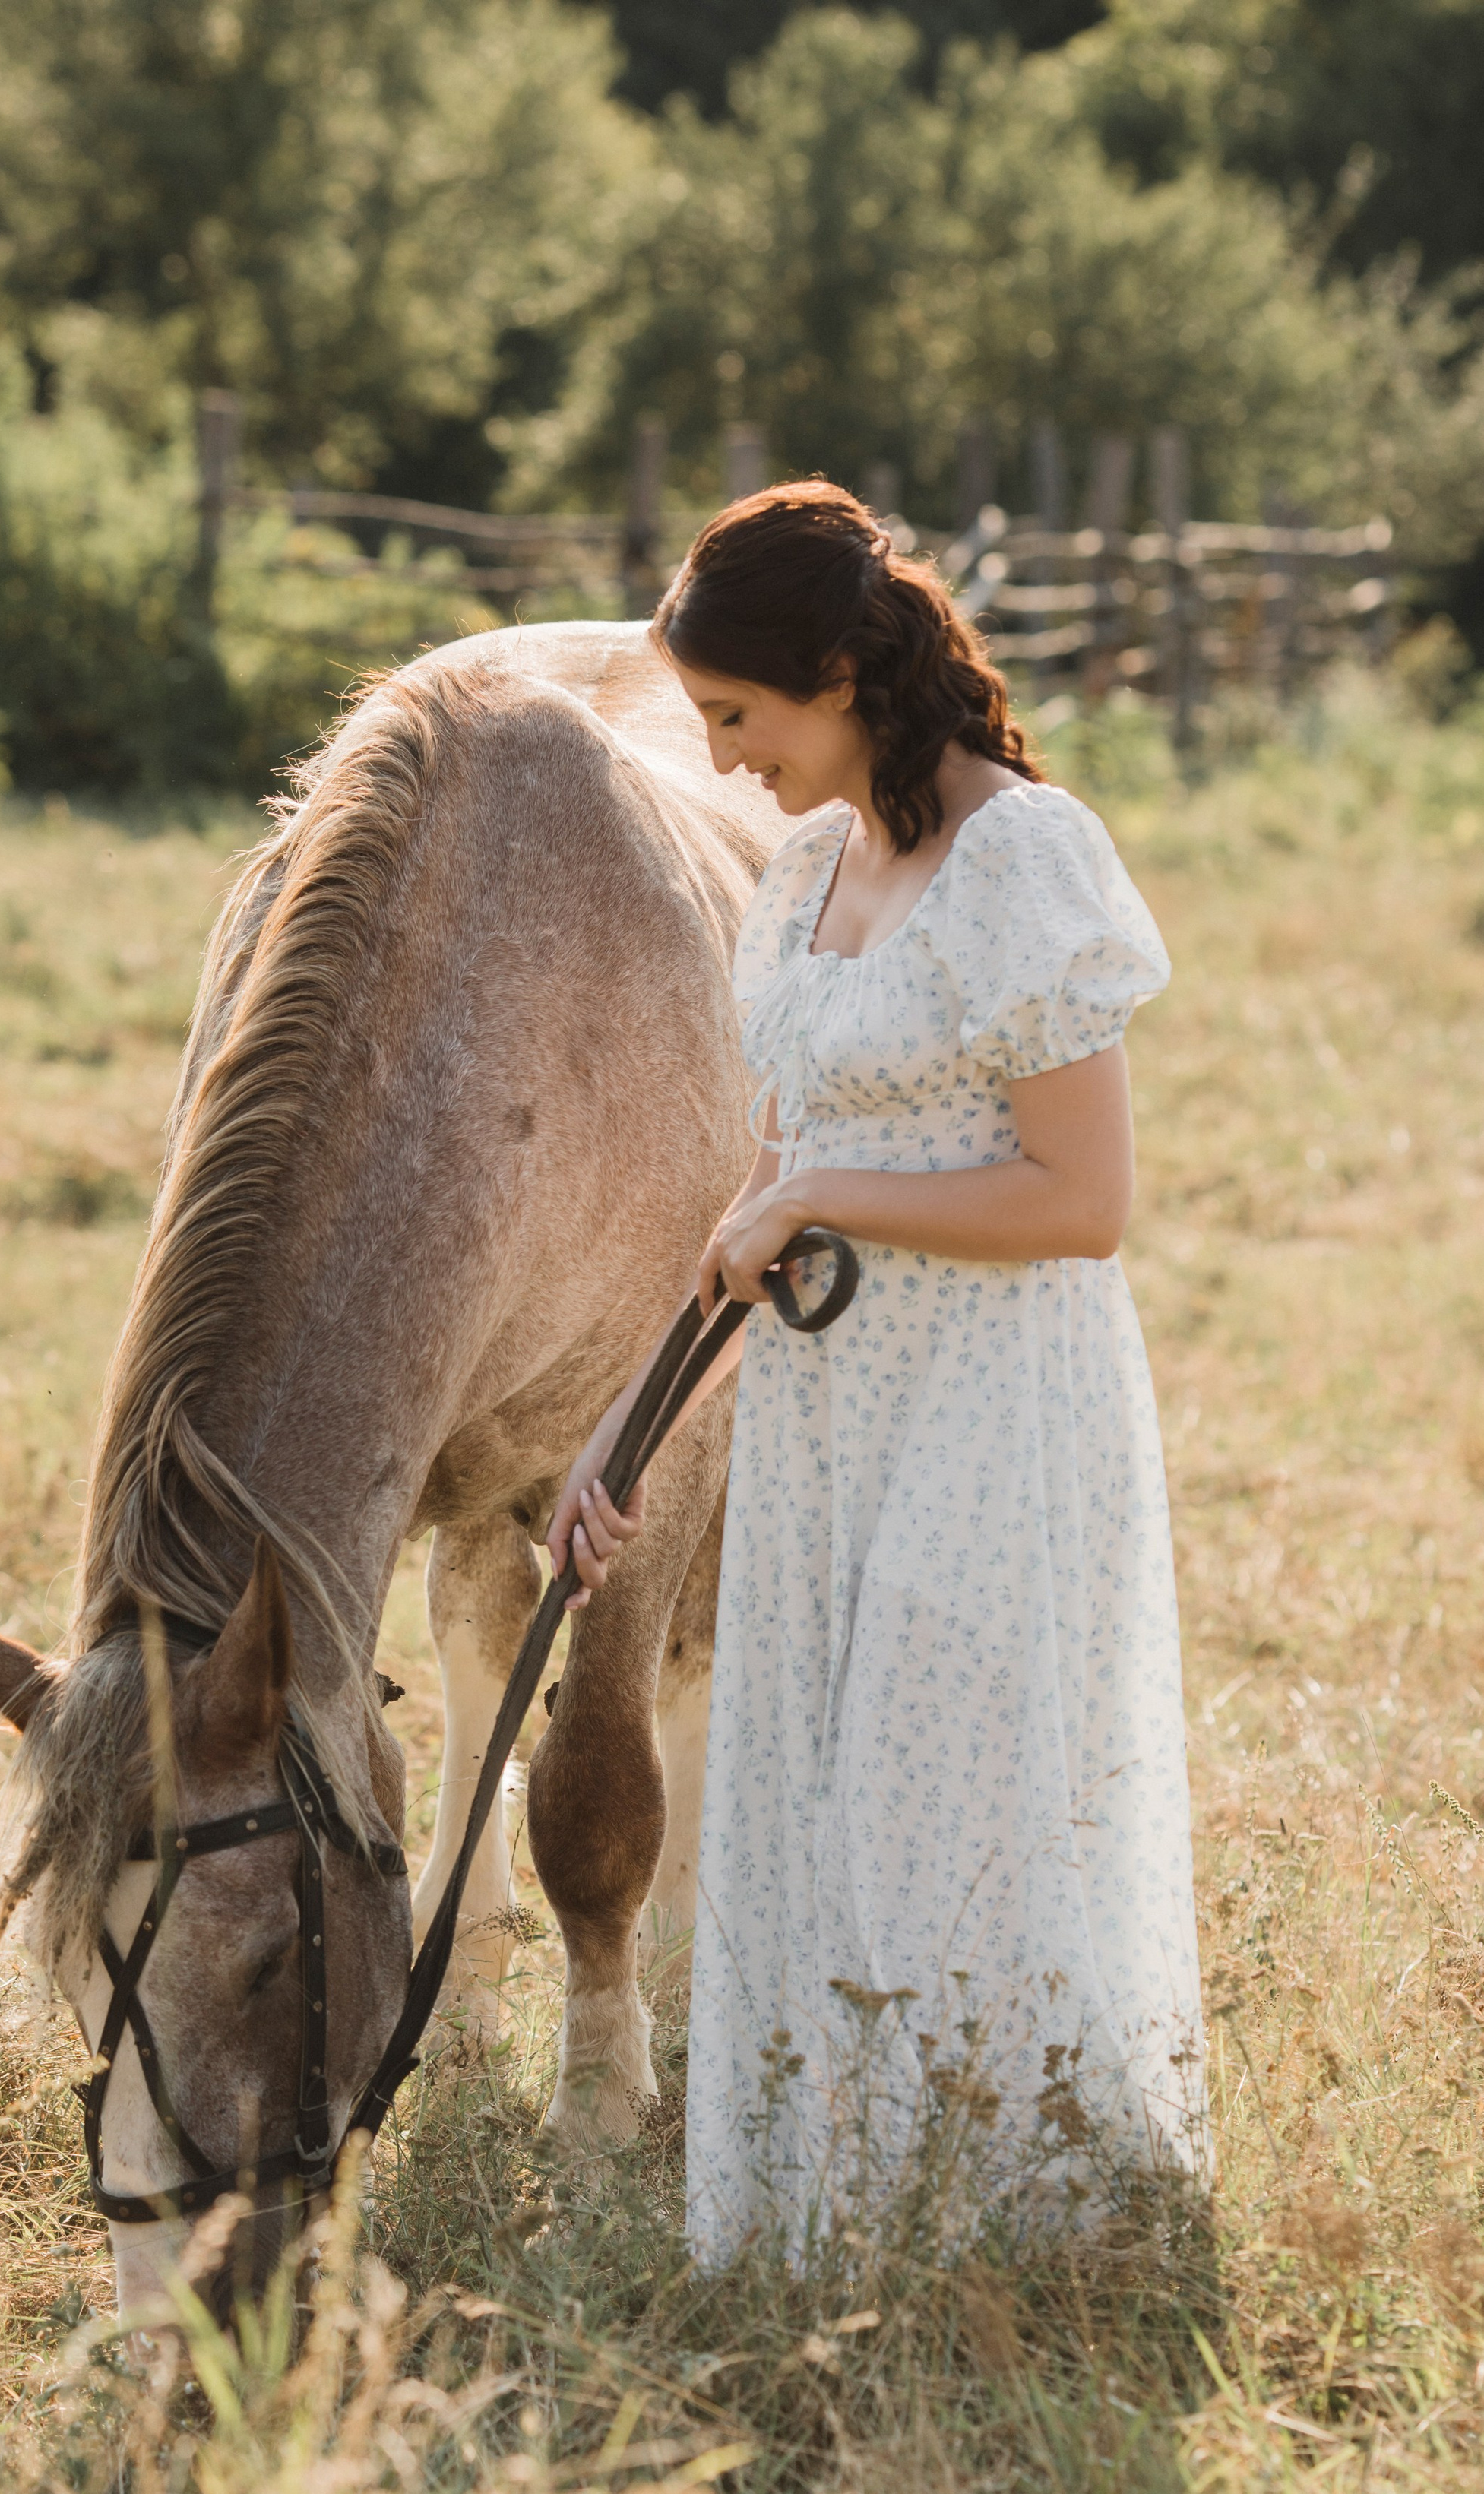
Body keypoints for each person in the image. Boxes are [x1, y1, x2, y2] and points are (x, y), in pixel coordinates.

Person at [546, 481, 1205, 2267]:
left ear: (838, 673)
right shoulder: (804, 875)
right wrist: (624, 1423)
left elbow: (1082, 1203)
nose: (726, 758)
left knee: (948, 1793)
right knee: (824, 1800)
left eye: (739, 719)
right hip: (827, 1415)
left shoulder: (1024, 862)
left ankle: (1018, 2218)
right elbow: (756, 1206)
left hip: (992, 1397)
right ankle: (844, 2222)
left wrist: (826, 1190)